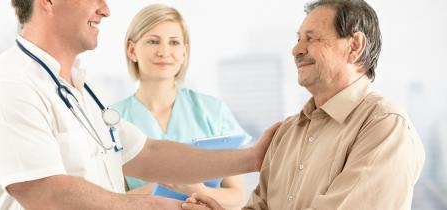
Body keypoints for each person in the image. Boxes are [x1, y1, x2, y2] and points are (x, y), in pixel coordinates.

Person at [0, 0, 280, 209]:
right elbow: (49, 196)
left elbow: (149, 154)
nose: (106, 9)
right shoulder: (9, 86)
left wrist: (251, 158)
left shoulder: (79, 93)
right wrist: (164, 207)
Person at [182, 0, 425, 209]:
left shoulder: (385, 127)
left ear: (354, 46)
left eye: (312, 38)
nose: (296, 50)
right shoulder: (286, 132)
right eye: (299, 39)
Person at [111, 4, 249, 209]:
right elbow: (107, 200)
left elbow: (237, 195)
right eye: (152, 41)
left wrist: (200, 193)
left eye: (174, 42)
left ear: (184, 52)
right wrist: (157, 188)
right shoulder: (112, 120)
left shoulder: (212, 110)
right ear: (132, 50)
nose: (164, 51)